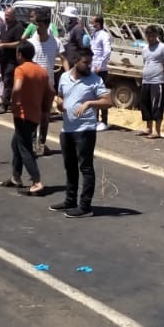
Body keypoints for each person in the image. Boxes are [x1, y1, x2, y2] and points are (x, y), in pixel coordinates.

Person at [52, 47, 113, 217]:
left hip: (85, 129)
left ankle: (85, 206)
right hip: (67, 129)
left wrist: (89, 104)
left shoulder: (95, 80)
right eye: (85, 63)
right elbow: (61, 95)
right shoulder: (64, 77)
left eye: (90, 63)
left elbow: (108, 101)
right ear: (76, 62)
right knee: (70, 166)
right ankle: (70, 200)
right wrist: (59, 102)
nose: (89, 66)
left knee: (85, 167)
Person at [2, 42, 51, 197]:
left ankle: (36, 182)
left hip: (22, 115)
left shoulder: (21, 69)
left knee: (24, 148)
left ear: (20, 55)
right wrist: (45, 110)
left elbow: (17, 88)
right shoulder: (42, 71)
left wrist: (14, 104)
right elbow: (51, 92)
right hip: (35, 115)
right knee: (15, 143)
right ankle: (16, 177)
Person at [27, 10, 61, 154]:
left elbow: (64, 58)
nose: (37, 28)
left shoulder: (56, 42)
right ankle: (33, 141)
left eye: (40, 25)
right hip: (33, 85)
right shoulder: (30, 42)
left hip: (49, 84)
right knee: (34, 114)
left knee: (45, 115)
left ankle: (41, 142)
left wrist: (68, 78)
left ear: (47, 25)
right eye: (36, 25)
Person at [138, 26, 164, 139]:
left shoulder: (163, 48)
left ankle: (157, 131)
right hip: (146, 80)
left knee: (156, 105)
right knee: (145, 104)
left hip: (157, 81)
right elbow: (146, 63)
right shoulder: (145, 49)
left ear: (156, 35)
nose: (150, 38)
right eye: (148, 36)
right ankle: (148, 128)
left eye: (152, 36)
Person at [0, 15, 26, 113]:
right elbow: (0, 38)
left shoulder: (18, 27)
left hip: (13, 60)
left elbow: (19, 42)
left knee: (8, 81)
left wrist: (4, 45)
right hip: (3, 59)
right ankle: (11, 102)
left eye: (9, 15)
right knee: (6, 81)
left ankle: (4, 105)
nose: (7, 17)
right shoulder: (4, 27)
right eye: (6, 15)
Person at [89, 15, 112, 131]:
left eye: (92, 22)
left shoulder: (104, 35)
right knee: (94, 95)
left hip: (100, 70)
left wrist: (100, 64)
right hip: (93, 68)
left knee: (102, 95)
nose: (90, 24)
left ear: (98, 23)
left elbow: (107, 51)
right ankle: (95, 120)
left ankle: (104, 121)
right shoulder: (94, 35)